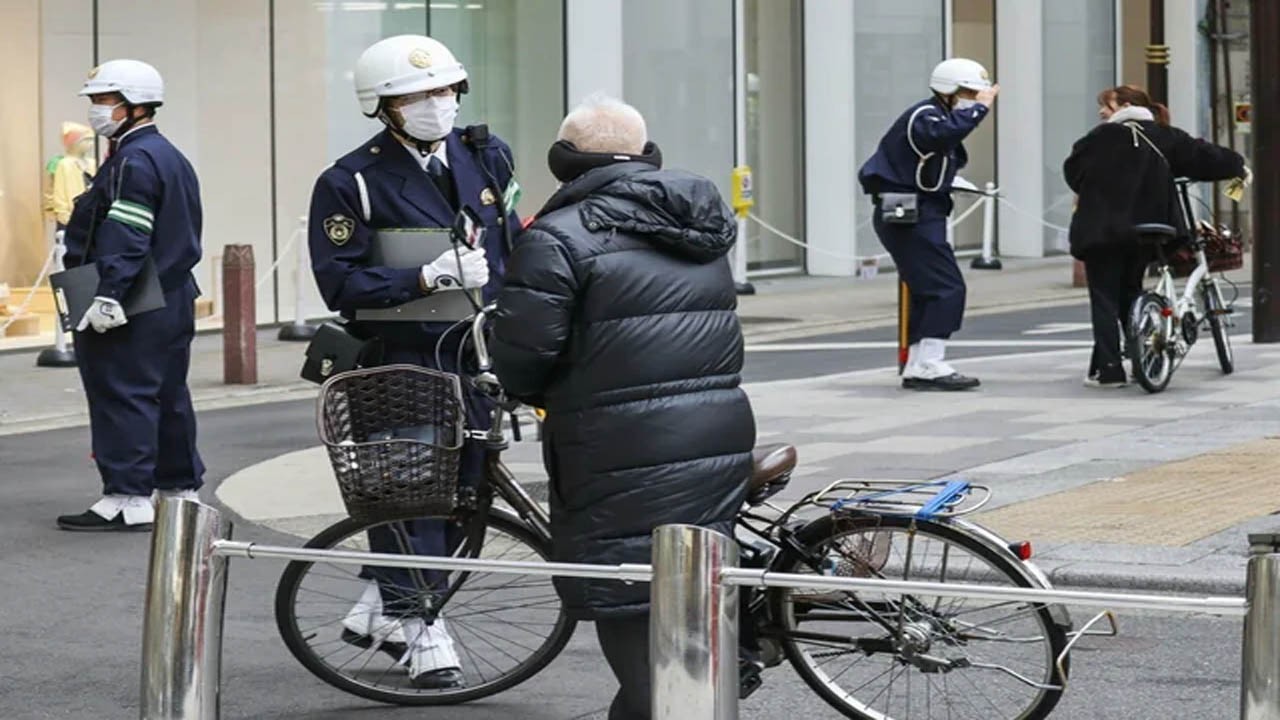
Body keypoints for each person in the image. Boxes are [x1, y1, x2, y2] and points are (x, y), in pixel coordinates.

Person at [490, 94, 756, 720]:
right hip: (715, 429)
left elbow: (525, 352)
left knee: (628, 595)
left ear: (563, 161)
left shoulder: (558, 235)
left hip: (617, 445)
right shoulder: (699, 221)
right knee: (692, 578)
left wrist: (519, 387)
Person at [307, 34, 519, 690]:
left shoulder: (486, 157)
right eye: (417, 95)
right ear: (384, 106)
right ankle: (423, 626)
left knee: (466, 493)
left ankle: (381, 605)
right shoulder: (351, 182)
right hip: (401, 361)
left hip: (475, 354)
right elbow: (339, 285)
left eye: (446, 90)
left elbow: (515, 248)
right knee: (410, 495)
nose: (438, 104)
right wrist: (424, 278)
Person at [56, 60, 205, 532]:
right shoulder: (167, 155)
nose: (98, 110)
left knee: (121, 393)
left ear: (135, 105)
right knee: (167, 393)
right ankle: (178, 486)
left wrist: (109, 294)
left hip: (133, 300)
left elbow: (128, 230)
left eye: (104, 100)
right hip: (171, 295)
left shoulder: (133, 160)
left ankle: (126, 495)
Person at [1064, 85, 1246, 387]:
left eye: (1106, 106)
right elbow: (1206, 157)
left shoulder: (1096, 139)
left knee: (1104, 298)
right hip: (1148, 231)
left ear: (1123, 106)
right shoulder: (1166, 135)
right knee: (1131, 290)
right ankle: (1141, 360)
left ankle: (1109, 370)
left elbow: (1073, 173)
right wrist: (1238, 166)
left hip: (1101, 231)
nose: (1101, 112)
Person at [858, 58, 999, 390]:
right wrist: (979, 110)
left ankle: (920, 363)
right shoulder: (926, 116)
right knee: (946, 286)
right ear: (950, 89)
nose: (974, 98)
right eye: (968, 92)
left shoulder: (935, 114)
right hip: (912, 214)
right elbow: (944, 134)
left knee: (927, 289)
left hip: (921, 211)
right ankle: (930, 362)